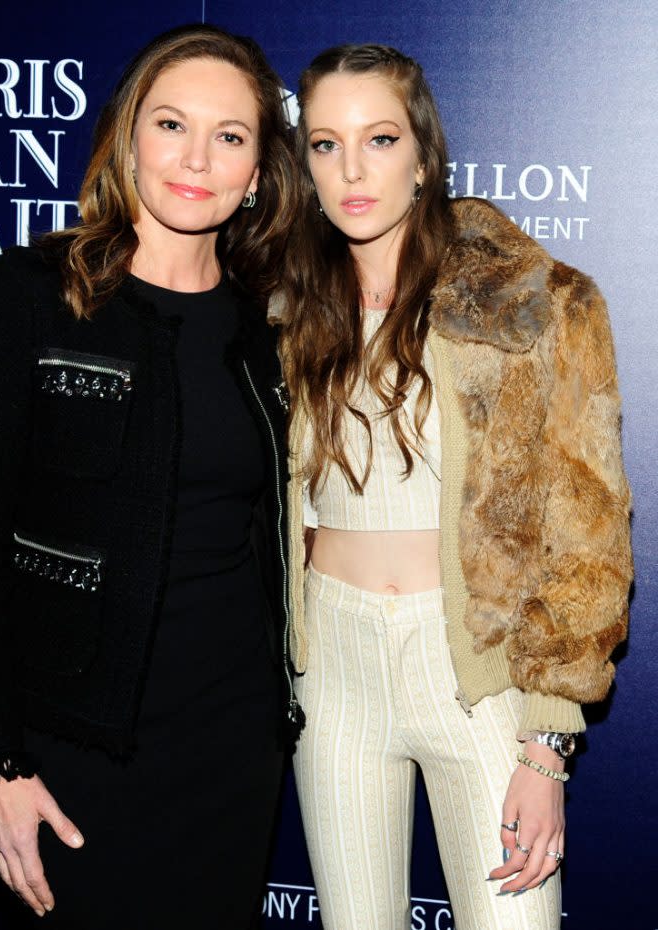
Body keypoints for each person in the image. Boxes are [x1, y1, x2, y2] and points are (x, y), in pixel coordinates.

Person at [0, 24, 303, 929]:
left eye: (230, 137)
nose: (196, 158)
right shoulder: (34, 292)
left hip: (230, 743)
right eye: (172, 124)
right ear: (129, 136)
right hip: (68, 747)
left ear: (257, 172)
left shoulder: (271, 324)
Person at [279, 44, 632, 930]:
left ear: (425, 154)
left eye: (380, 138)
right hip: (335, 677)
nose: (352, 169)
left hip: (476, 682)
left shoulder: (539, 306)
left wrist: (547, 745)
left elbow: (586, 534)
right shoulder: (279, 310)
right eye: (325, 144)